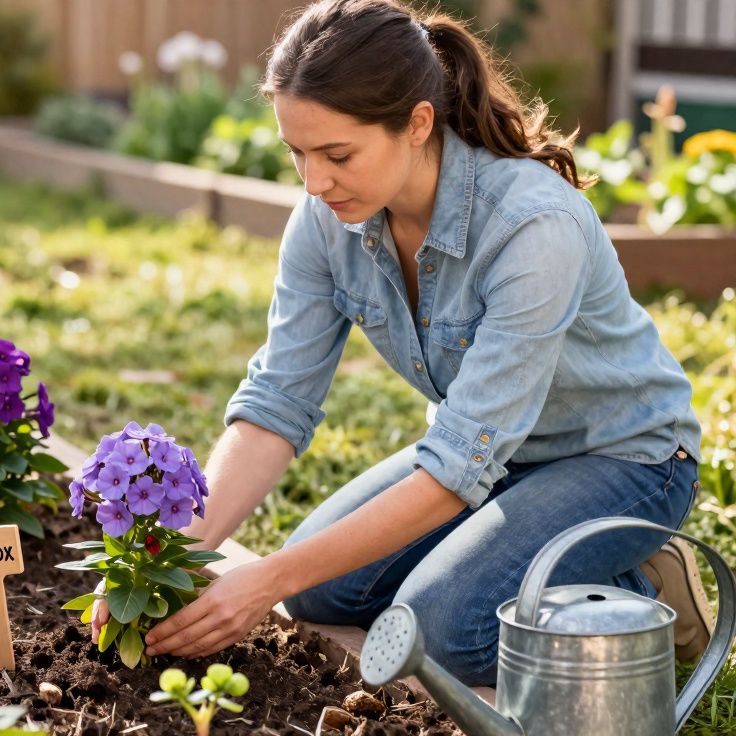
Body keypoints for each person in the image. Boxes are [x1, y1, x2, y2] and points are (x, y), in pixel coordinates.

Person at [90, 0, 712, 686]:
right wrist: (175, 557)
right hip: (495, 458)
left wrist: (259, 581)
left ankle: (640, 587)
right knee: (320, 590)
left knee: (442, 631)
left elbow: (454, 467)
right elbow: (276, 401)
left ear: (418, 123)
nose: (313, 181)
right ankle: (535, 554)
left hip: (627, 459)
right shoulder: (326, 220)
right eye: (296, 152)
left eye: (337, 154)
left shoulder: (533, 227)